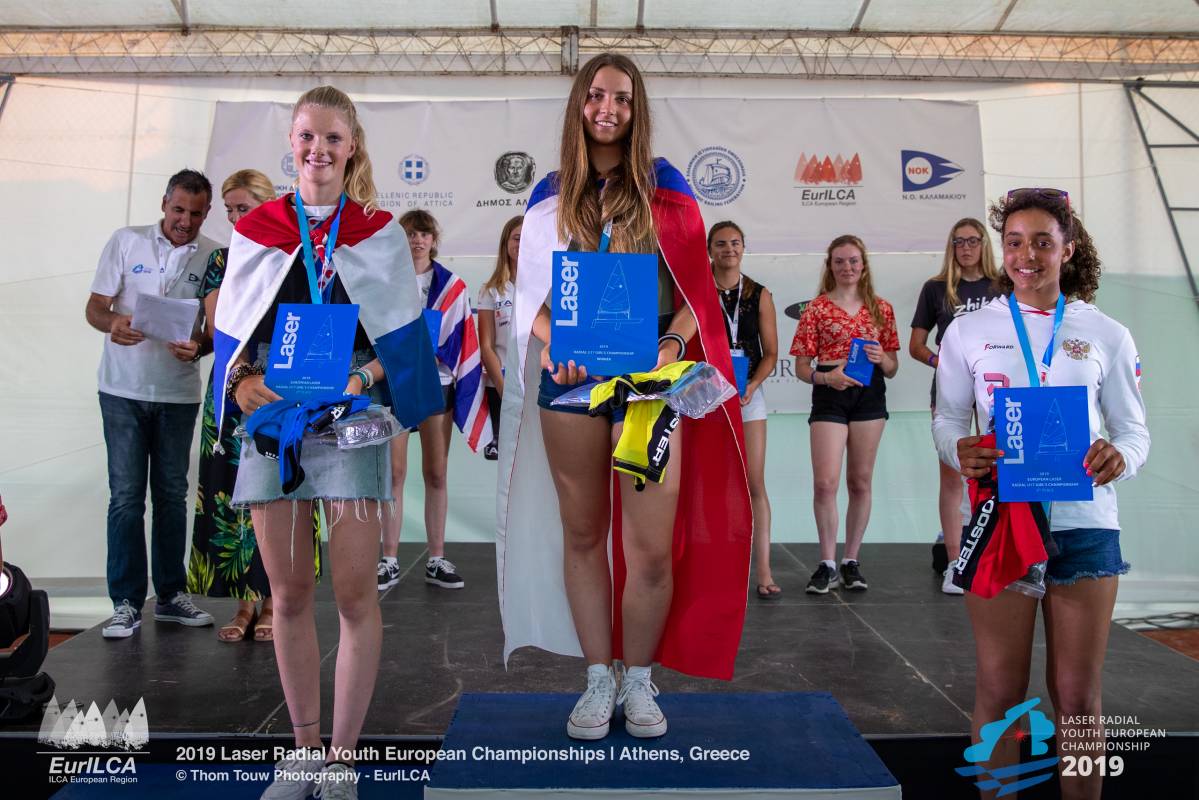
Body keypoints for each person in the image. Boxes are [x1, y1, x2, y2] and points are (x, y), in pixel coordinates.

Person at [496, 52, 752, 741]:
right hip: (571, 383)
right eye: (596, 95)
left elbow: (697, 292)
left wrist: (670, 348)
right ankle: (597, 676)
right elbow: (530, 298)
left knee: (649, 549)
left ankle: (638, 677)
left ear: (637, 111)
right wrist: (554, 342)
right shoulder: (550, 192)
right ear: (579, 104)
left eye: (621, 98)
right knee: (583, 536)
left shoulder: (666, 186)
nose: (607, 108)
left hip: (648, 388)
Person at [212, 85, 439, 798]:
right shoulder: (259, 230)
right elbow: (234, 335)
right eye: (307, 136)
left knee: (352, 595)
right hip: (275, 421)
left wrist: (362, 376)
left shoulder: (377, 232)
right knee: (286, 596)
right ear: (292, 142)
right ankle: (304, 751)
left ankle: (342, 760)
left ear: (352, 147)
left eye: (332, 138)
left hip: (349, 419)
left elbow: (400, 342)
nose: (318, 149)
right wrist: (241, 381)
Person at [933, 189, 1148, 800]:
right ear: (1003, 250)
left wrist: (1120, 458)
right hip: (1001, 522)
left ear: (1068, 249)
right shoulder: (968, 331)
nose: (1027, 255)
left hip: (1085, 527)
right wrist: (958, 450)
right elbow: (947, 420)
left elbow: (1133, 432)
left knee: (1078, 698)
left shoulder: (1107, 333)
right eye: (1016, 242)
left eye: (1043, 242)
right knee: (1000, 692)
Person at [85, 168, 219, 639]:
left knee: (171, 496)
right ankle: (124, 604)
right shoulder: (126, 241)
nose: (186, 221)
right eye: (179, 209)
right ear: (164, 203)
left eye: (196, 213)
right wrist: (113, 324)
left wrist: (199, 348)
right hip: (121, 391)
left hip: (178, 394)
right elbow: (94, 307)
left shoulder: (215, 254)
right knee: (125, 498)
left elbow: (216, 331)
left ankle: (170, 596)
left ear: (207, 213)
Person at [186, 169, 278, 642]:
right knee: (232, 489)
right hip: (231, 381)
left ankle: (276, 601)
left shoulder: (291, 255)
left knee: (279, 488)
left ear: (267, 206)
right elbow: (220, 324)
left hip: (281, 381)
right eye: (230, 210)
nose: (236, 217)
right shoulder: (221, 259)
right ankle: (245, 603)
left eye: (244, 207)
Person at [376, 210, 490, 593]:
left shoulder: (452, 286)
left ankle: (437, 558)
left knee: (436, 473)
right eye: (411, 234)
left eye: (424, 234)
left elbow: (462, 340)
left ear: (434, 239)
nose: (417, 240)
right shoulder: (385, 281)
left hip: (438, 383)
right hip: (396, 382)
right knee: (394, 473)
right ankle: (389, 559)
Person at [790, 235, 900, 594]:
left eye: (853, 260)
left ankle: (851, 560)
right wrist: (827, 378)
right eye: (839, 261)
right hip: (829, 392)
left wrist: (881, 359)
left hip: (870, 394)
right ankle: (827, 563)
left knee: (860, 481)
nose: (847, 267)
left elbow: (893, 367)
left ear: (863, 265)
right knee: (825, 483)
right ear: (830, 266)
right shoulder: (816, 309)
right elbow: (802, 367)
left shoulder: (882, 309)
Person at [909, 218, 1001, 595]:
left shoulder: (1001, 286)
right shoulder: (936, 288)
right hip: (951, 392)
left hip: (994, 391)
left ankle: (995, 557)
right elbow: (916, 345)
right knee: (952, 475)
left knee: (997, 472)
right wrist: (944, 363)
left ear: (984, 244)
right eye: (958, 242)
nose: (966, 248)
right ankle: (954, 562)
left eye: (972, 241)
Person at [708, 221, 779, 598]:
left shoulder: (759, 294)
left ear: (744, 247)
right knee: (713, 485)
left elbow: (771, 353)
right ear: (710, 250)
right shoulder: (698, 290)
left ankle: (763, 571)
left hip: (748, 397)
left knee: (754, 483)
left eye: (735, 243)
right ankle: (716, 567)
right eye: (721, 244)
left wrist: (751, 386)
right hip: (707, 398)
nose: (729, 249)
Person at [476, 215, 522, 461]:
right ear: (506, 243)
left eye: (527, 238)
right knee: (505, 459)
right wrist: (505, 390)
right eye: (516, 238)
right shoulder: (491, 290)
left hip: (536, 384)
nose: (521, 244)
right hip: (501, 384)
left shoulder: (547, 287)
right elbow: (486, 346)